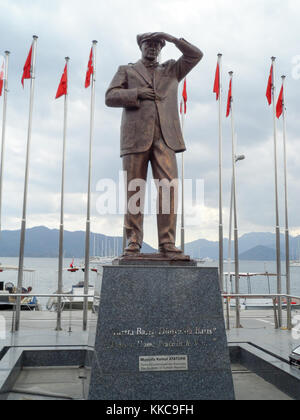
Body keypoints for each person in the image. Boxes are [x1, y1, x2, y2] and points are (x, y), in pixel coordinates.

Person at [105, 32, 203, 255]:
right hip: (135, 137)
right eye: (148, 44)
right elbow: (110, 96)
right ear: (141, 46)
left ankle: (167, 242)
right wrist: (137, 93)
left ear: (162, 48)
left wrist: (172, 38)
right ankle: (133, 240)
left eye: (158, 44)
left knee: (168, 189)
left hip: (165, 138)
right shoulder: (127, 70)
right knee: (134, 190)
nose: (153, 47)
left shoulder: (171, 70)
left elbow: (196, 55)